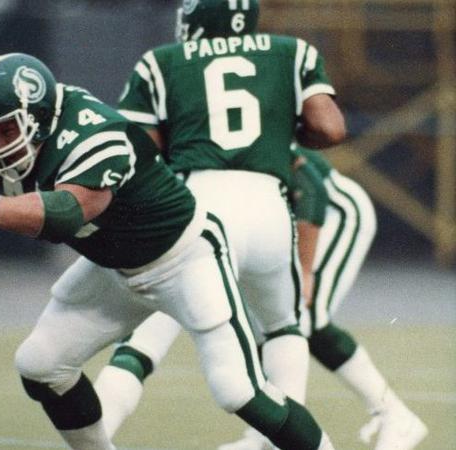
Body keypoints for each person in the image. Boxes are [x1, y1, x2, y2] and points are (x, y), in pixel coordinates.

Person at [0, 52, 335, 450]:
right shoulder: (33, 120)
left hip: (185, 260)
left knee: (238, 390)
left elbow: (67, 212)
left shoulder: (97, 134)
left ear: (35, 119)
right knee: (40, 364)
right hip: (116, 269)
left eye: (6, 131)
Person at [91, 0, 349, 447]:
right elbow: (329, 128)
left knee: (143, 340)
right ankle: (281, 443)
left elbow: (140, 152)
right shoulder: (292, 52)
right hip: (268, 206)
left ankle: (94, 439)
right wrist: (281, 132)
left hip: (198, 204)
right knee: (282, 327)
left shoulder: (162, 61)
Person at [289, 146, 427, 450]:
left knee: (304, 317)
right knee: (271, 322)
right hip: (297, 220)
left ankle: (395, 416)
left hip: (335, 212)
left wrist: (306, 270)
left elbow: (312, 190)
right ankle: (268, 435)